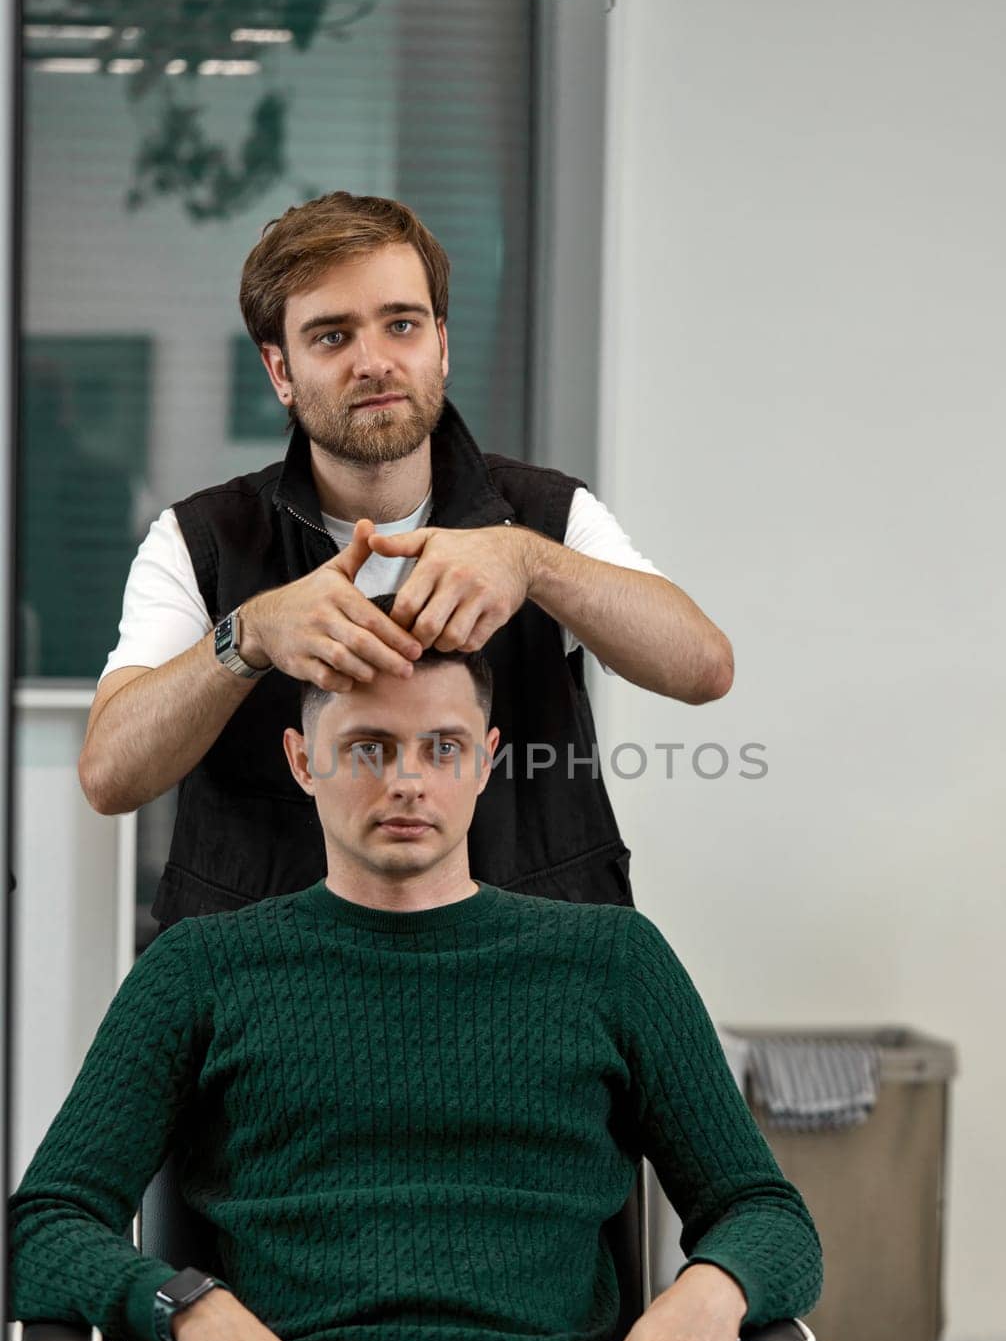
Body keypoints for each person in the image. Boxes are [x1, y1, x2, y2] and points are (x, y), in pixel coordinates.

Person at [13, 608, 835, 1341]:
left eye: (440, 747)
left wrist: (712, 1290)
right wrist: (183, 1306)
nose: (407, 779)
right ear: (300, 759)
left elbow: (766, 1211)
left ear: (485, 760)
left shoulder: (610, 959)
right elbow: (43, 1226)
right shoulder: (201, 969)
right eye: (366, 747)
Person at [76, 193, 734, 928]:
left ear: (442, 346)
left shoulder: (546, 516)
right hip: (272, 990)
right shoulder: (201, 538)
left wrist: (529, 563)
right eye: (331, 336)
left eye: (401, 324)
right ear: (279, 370)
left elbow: (701, 669)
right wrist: (248, 637)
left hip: (528, 979)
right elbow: (110, 776)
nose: (375, 362)